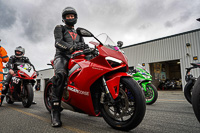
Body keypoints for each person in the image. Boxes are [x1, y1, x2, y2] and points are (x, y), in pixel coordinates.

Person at [51, 7, 89, 127]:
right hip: (62, 56)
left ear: (76, 17)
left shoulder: (78, 32)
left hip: (77, 57)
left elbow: (82, 45)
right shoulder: (59, 28)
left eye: (72, 16)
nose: (70, 18)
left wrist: (87, 47)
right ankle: (55, 111)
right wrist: (71, 48)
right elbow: (58, 42)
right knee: (61, 75)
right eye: (68, 16)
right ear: (64, 18)